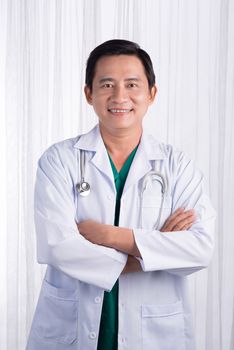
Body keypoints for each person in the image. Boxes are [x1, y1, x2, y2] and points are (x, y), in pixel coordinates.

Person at [26, 39, 215, 350]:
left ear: (152, 93)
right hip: (70, 330)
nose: (119, 96)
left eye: (131, 84)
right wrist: (153, 251)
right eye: (107, 84)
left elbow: (199, 248)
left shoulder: (176, 166)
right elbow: (57, 247)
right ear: (89, 93)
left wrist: (109, 236)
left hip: (155, 333)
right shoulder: (59, 160)